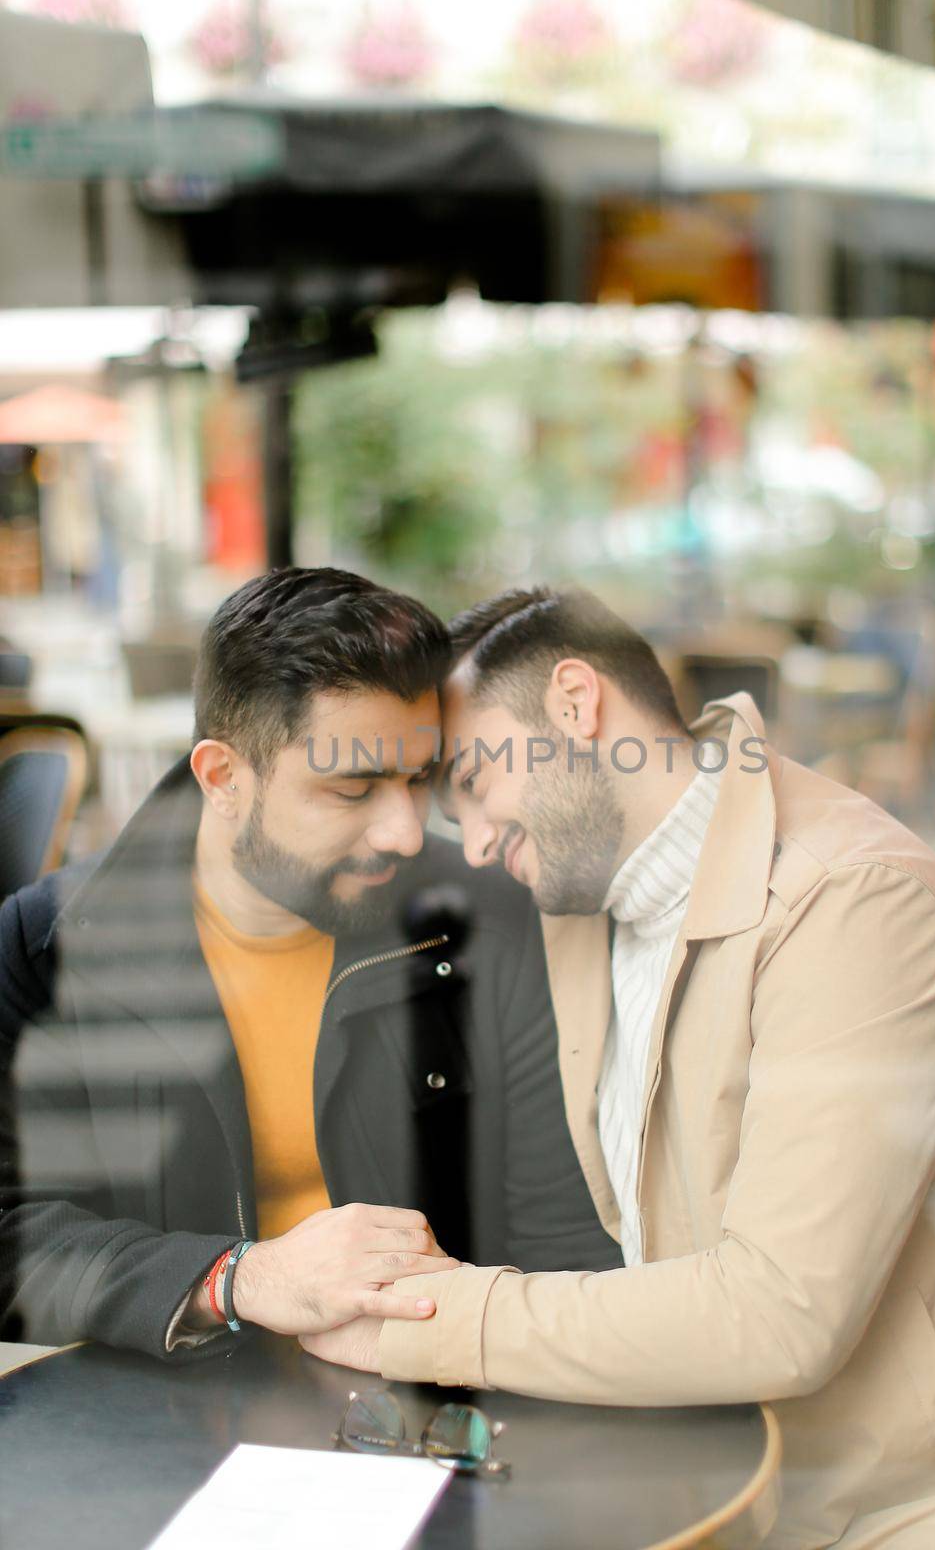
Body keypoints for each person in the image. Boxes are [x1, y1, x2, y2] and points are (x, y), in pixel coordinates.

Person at [300, 585, 935, 1550]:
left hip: (909, 1504)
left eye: (474, 784)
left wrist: (423, 1317)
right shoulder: (583, 897)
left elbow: (783, 1314)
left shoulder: (854, 901)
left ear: (575, 705)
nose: (480, 845)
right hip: (700, 1471)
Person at [0, 569, 618, 1360]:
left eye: (418, 778)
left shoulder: (488, 921)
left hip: (446, 1395)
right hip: (157, 1420)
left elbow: (565, 1239)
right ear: (224, 779)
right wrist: (235, 1279)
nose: (403, 831)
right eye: (352, 789)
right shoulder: (48, 942)